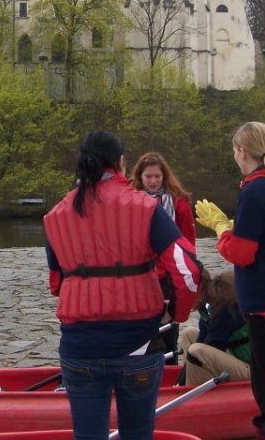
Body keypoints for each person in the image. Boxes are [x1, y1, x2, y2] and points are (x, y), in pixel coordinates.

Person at [44, 131, 202, 440]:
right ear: (120, 163)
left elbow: (56, 282)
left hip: (80, 346)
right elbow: (188, 272)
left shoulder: (57, 214)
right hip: (138, 343)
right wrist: (177, 313)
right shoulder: (144, 206)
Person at [195, 121, 265, 440]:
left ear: (242, 151)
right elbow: (260, 237)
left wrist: (221, 229)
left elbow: (240, 253)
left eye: (234, 150)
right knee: (264, 372)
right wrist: (232, 226)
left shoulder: (256, 189)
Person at [129, 152, 197, 365]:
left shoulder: (179, 203)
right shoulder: (130, 202)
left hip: (169, 275)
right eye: (148, 176)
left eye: (157, 176)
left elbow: (188, 242)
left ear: (164, 176)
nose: (153, 181)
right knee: (142, 329)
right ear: (140, 177)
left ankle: (168, 369)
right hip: (141, 274)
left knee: (169, 328)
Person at [178, 268, 251, 387]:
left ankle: (191, 393)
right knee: (189, 334)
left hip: (253, 370)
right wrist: (178, 384)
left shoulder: (226, 312)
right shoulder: (208, 311)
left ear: (197, 290)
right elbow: (203, 341)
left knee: (197, 350)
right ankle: (184, 387)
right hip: (234, 358)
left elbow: (209, 346)